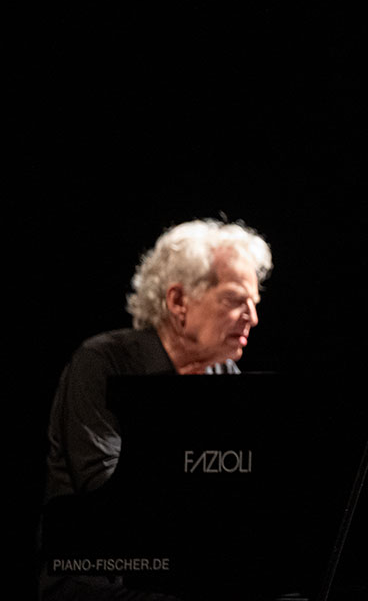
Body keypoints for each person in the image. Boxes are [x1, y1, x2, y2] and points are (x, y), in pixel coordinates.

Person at [40, 219, 272, 598]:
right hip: (99, 576)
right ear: (178, 301)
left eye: (254, 303)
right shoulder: (102, 363)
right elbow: (104, 491)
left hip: (179, 573)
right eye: (234, 300)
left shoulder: (224, 372)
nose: (253, 317)